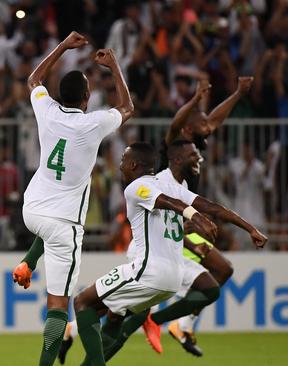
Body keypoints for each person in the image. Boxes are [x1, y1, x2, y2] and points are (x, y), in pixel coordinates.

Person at [72, 142, 267, 365]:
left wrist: (196, 217)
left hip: (146, 272)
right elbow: (213, 206)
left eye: (123, 161)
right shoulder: (172, 186)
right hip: (172, 280)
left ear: (133, 164)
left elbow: (166, 202)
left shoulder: (135, 188)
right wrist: (251, 228)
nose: (120, 166)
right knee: (113, 317)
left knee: (82, 302)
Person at [12, 31, 134, 365]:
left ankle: (28, 261)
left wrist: (63, 46)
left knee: (49, 230)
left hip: (33, 209)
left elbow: (34, 78)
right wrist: (114, 66)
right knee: (58, 308)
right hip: (64, 223)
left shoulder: (47, 111)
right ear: (86, 97)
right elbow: (127, 107)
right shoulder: (93, 123)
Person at [152, 76, 254, 355]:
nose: (207, 123)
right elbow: (176, 122)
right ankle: (77, 326)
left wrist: (237, 94)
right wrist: (195, 99)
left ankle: (182, 325)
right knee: (132, 301)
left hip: (186, 222)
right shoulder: (175, 144)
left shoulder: (196, 144)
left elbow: (214, 121)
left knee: (223, 270)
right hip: (166, 226)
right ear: (188, 126)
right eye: (200, 119)